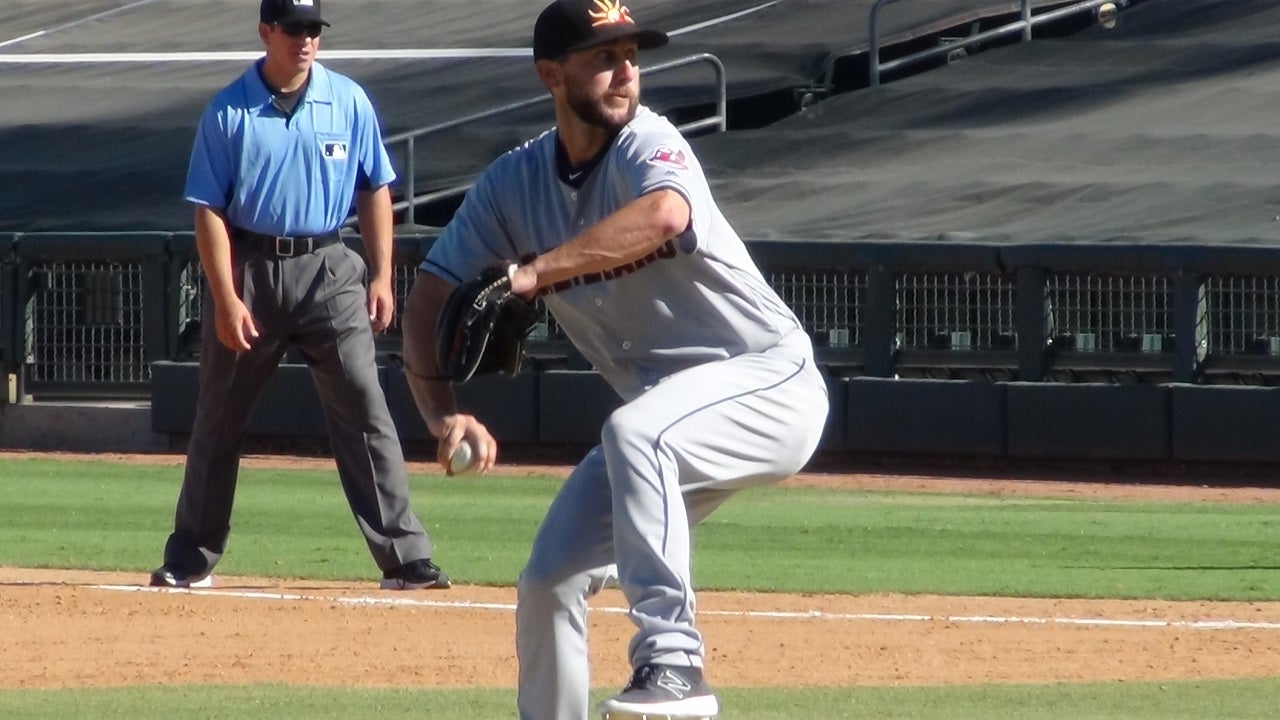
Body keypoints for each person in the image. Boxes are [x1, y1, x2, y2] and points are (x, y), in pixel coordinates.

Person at [400, 0, 829, 717]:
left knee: (637, 432)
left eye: (631, 53)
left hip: (768, 381)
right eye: (603, 56)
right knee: (548, 581)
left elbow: (665, 215)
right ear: (551, 75)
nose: (625, 69)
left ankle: (673, 660)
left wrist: (535, 273)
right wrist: (442, 416)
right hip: (665, 422)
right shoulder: (513, 184)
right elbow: (428, 298)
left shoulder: (650, 143)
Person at [151, 0, 449, 592]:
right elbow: (207, 209)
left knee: (366, 405)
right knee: (219, 417)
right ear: (266, 32)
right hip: (251, 268)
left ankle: (405, 557)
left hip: (329, 267)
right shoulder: (229, 110)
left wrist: (382, 274)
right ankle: (189, 557)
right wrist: (226, 297)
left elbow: (374, 189)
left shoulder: (348, 100)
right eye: (293, 29)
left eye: (313, 29)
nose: (305, 40)